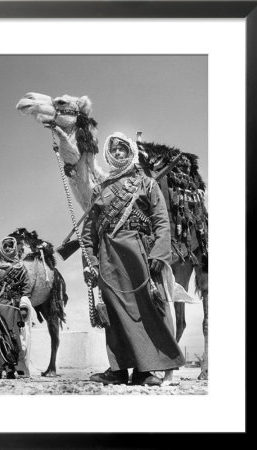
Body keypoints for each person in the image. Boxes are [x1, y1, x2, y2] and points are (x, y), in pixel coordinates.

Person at [81, 132, 185, 386]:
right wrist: (90, 263)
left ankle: (145, 370)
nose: (118, 153)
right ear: (108, 154)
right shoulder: (100, 191)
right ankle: (117, 371)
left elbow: (162, 221)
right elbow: (87, 234)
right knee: (114, 314)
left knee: (145, 311)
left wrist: (159, 254)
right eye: (114, 149)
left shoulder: (146, 183)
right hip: (107, 260)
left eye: (123, 149)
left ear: (130, 153)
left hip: (140, 256)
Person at [0, 236, 32, 379]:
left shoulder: (20, 268)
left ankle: (11, 369)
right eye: (6, 245)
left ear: (14, 247)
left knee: (12, 337)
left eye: (10, 245)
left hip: (12, 307)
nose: (8, 248)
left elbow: (26, 288)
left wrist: (22, 305)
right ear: (2, 247)